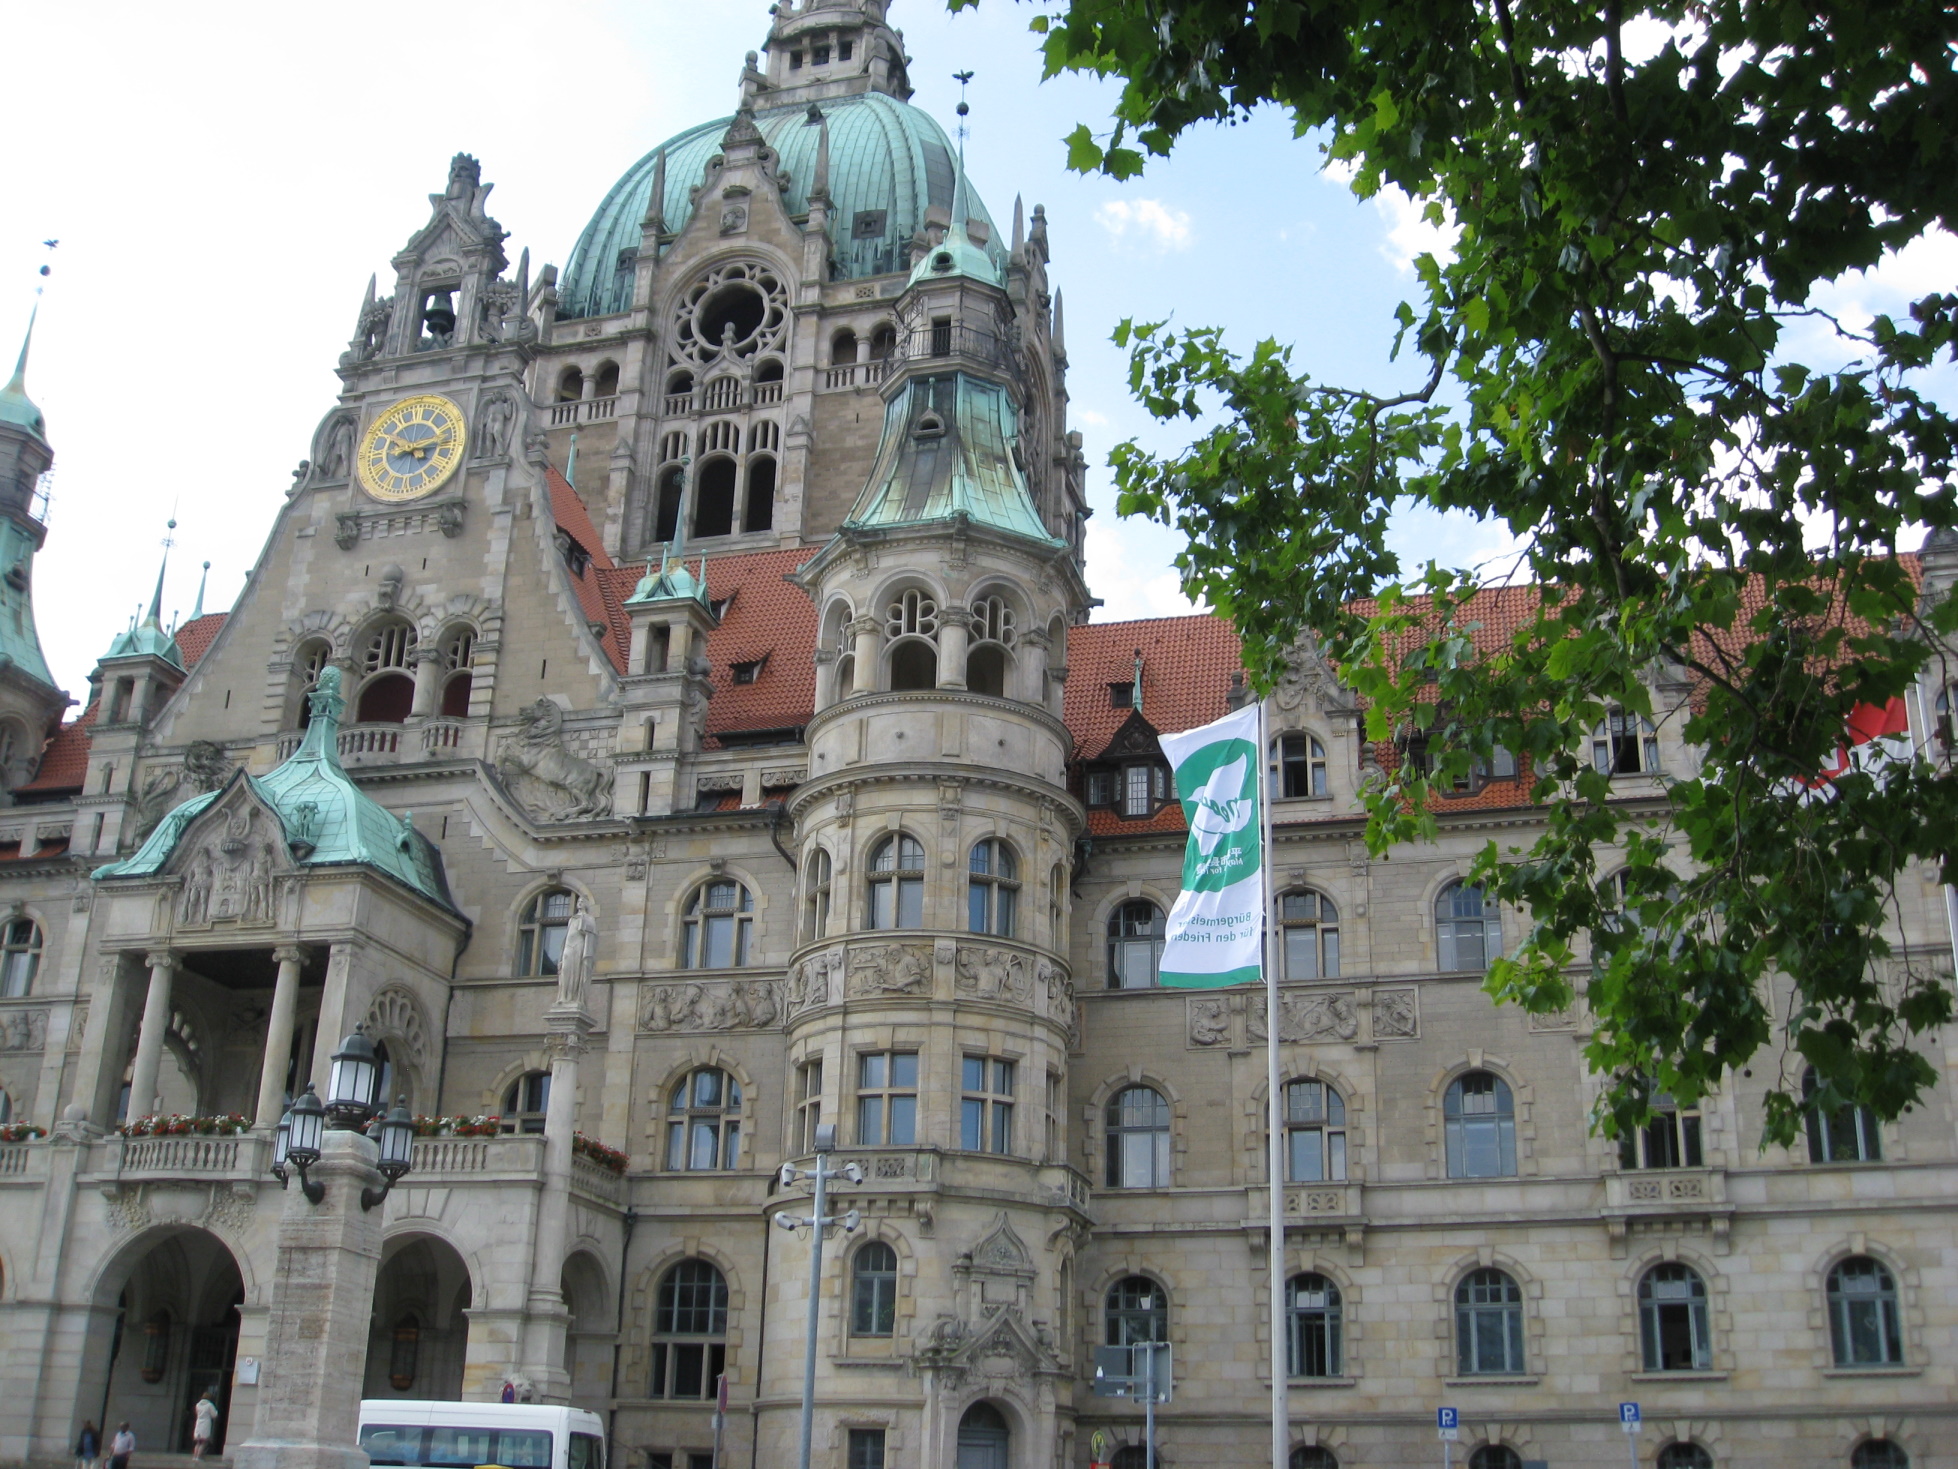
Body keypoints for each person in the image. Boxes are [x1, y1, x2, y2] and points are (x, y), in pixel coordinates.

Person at [191, 1391, 219, 1461]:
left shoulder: (198, 1405)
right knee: (203, 1442)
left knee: (198, 1442)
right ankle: (199, 1457)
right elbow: (214, 1415)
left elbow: (197, 1413)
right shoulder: (209, 1405)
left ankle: (195, 1456)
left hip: (198, 1422)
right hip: (206, 1423)